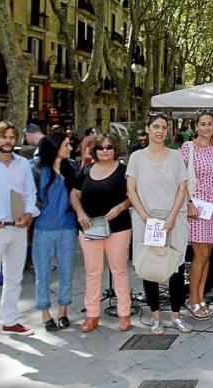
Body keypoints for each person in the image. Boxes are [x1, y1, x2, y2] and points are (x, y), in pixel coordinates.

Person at [126, 112, 193, 335]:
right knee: (149, 266)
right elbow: (131, 190)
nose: (160, 131)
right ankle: (155, 316)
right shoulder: (136, 158)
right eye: (156, 126)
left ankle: (176, 315)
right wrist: (145, 217)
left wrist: (172, 217)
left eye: (164, 127)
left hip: (174, 218)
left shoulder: (175, 157)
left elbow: (182, 187)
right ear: (147, 129)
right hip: (146, 219)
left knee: (176, 266)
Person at [71, 134, 132, 332]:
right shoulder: (86, 170)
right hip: (90, 227)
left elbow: (133, 195)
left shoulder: (124, 171)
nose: (105, 150)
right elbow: (74, 193)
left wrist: (121, 207)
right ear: (95, 150)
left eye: (109, 147)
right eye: (101, 147)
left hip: (118, 227)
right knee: (92, 271)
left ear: (115, 149)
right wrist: (80, 213)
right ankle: (92, 314)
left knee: (119, 269)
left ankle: (124, 313)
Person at [0, 121, 39, 340]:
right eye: (4, 137)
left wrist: (28, 214)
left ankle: (10, 321)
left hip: (18, 228)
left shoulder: (23, 164)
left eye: (11, 137)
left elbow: (30, 193)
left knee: (14, 278)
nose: (8, 141)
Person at [181, 110, 213, 320]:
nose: (207, 127)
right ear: (196, 126)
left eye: (210, 123)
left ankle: (200, 297)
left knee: (208, 254)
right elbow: (180, 179)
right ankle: (193, 300)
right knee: (199, 255)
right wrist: (189, 203)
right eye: (203, 124)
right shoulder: (188, 148)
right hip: (196, 207)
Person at [32, 132, 78, 332]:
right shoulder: (37, 170)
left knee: (66, 271)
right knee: (42, 273)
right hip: (43, 228)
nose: (70, 148)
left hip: (67, 227)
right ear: (55, 146)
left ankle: (63, 311)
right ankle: (45, 313)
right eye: (66, 145)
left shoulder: (71, 169)